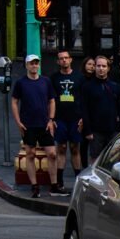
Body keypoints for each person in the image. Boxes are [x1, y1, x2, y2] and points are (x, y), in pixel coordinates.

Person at [10, 55, 60, 198]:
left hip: (44, 124)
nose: (34, 66)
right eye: (31, 63)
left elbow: (52, 101)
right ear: (26, 65)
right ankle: (34, 185)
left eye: (36, 63)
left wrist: (51, 119)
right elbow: (14, 102)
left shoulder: (46, 81)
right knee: (30, 154)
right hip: (28, 124)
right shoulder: (21, 83)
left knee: (52, 153)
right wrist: (18, 122)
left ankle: (54, 184)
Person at [50, 49, 84, 192]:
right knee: (61, 148)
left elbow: (84, 98)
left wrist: (83, 118)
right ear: (58, 62)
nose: (64, 60)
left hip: (75, 118)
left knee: (75, 148)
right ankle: (59, 181)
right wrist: (52, 119)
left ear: (71, 60)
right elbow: (50, 99)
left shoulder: (79, 77)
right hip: (60, 119)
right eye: (61, 58)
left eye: (66, 58)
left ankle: (78, 181)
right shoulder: (53, 78)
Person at [81, 55, 120, 162]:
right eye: (98, 66)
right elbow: (84, 109)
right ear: (94, 67)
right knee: (95, 159)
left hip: (113, 129)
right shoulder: (87, 87)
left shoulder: (116, 86)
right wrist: (87, 131)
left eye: (104, 66)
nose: (101, 68)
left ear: (108, 68)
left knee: (114, 158)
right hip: (95, 131)